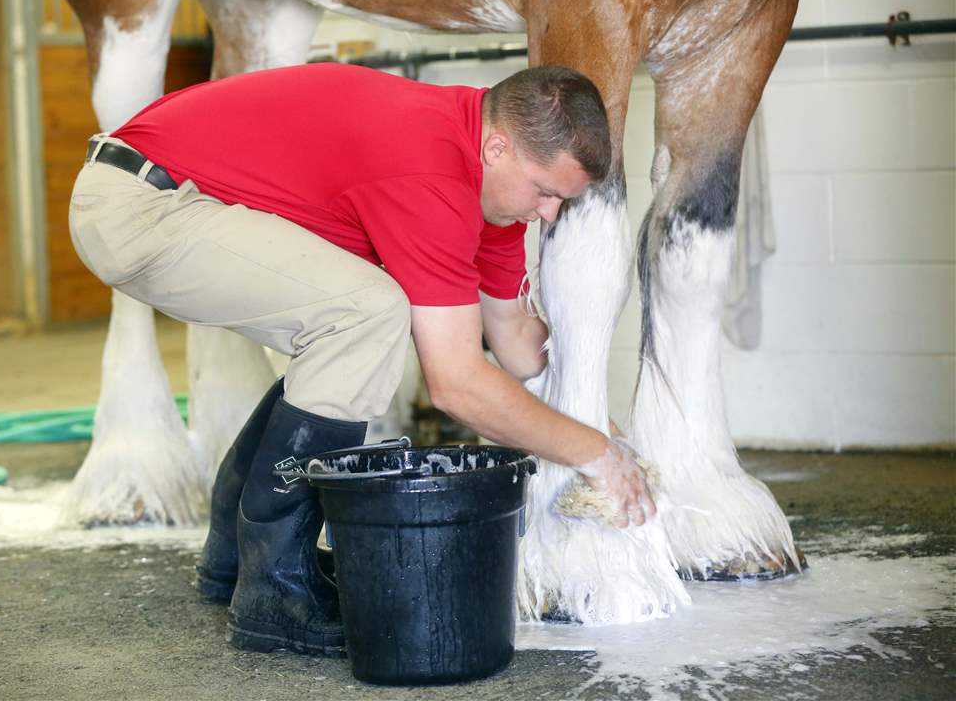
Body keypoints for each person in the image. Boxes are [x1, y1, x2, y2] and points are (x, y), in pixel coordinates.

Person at [68, 62, 656, 657]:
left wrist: (590, 412)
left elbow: (515, 345)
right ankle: (274, 590)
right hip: (139, 204)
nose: (550, 215)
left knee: (357, 320)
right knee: (366, 314)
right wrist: (593, 455)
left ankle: (235, 554)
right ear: (499, 145)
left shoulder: (492, 193)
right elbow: (457, 386)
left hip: (175, 200)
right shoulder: (430, 166)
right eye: (547, 192)